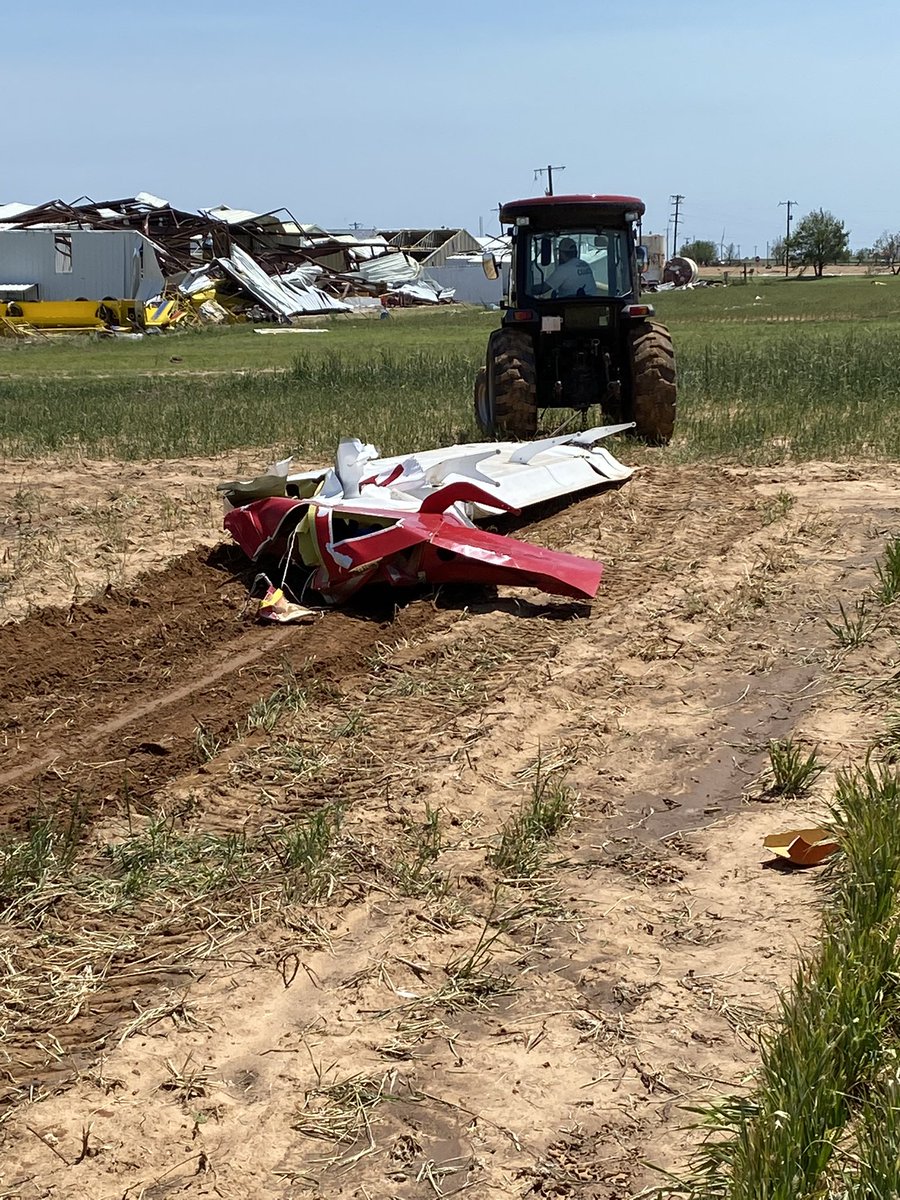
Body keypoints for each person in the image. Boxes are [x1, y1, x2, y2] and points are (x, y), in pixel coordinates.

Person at [533, 238, 599, 297]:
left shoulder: (563, 269)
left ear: (562, 253)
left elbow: (543, 289)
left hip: (572, 307)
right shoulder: (585, 264)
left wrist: (527, 289)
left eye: (559, 253)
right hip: (591, 304)